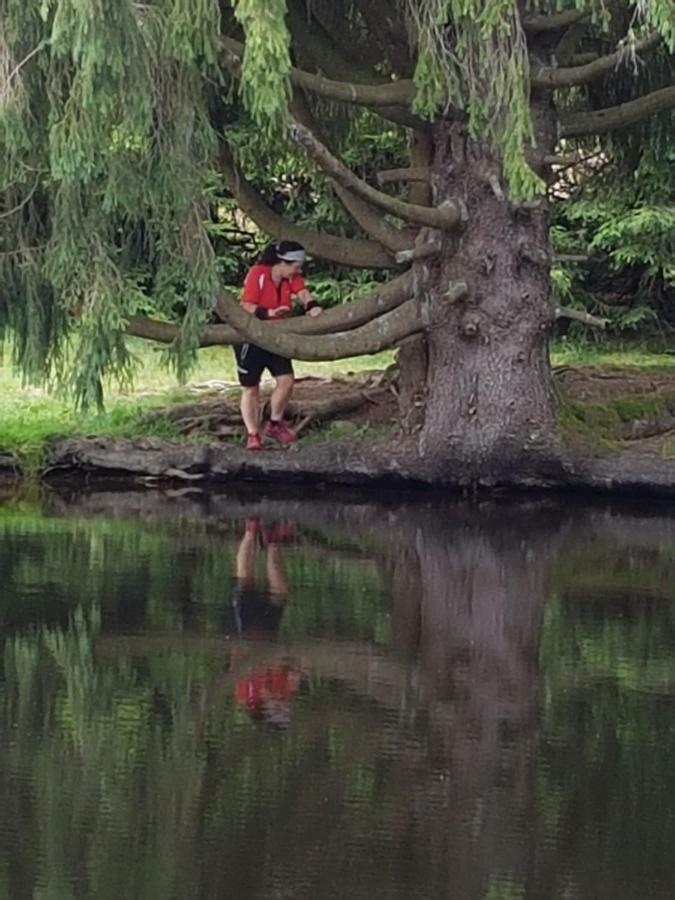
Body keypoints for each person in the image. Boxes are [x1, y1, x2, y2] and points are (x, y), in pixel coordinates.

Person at [235, 240, 322, 451]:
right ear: (282, 263)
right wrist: (269, 313)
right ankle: (253, 434)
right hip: (251, 338)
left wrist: (312, 306)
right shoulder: (258, 274)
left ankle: (275, 423)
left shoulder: (290, 277)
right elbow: (246, 305)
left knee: (286, 381)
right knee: (250, 388)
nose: (298, 270)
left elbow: (302, 292)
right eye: (295, 266)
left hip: (276, 337)